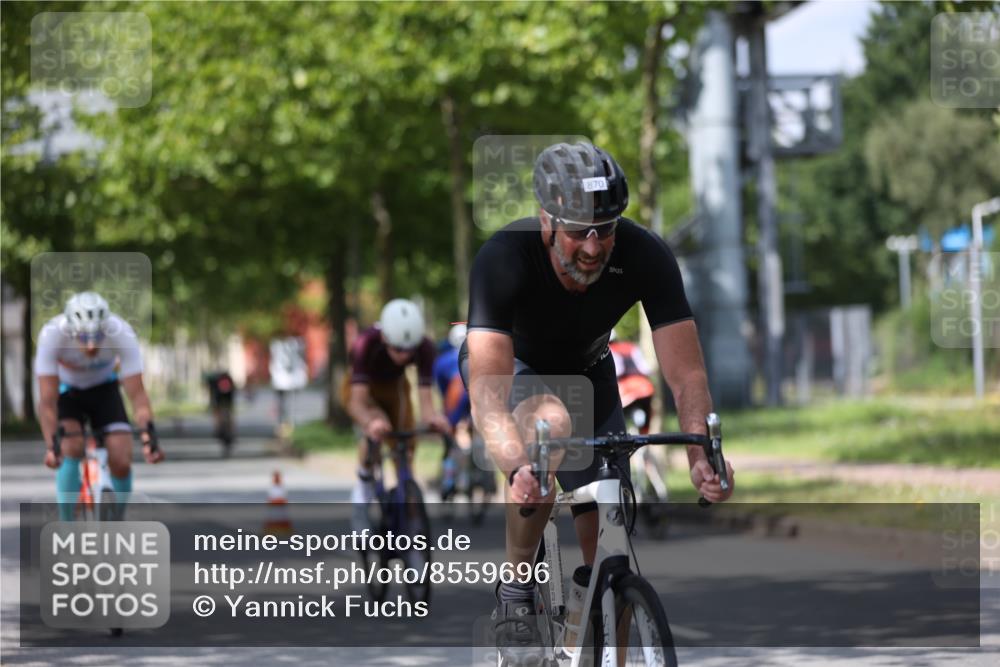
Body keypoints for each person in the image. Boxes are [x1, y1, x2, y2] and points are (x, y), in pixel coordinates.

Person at [462, 141, 735, 661]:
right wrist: (517, 466)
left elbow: (687, 373)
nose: (592, 247)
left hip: (590, 371)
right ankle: (517, 591)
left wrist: (702, 453)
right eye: (578, 231)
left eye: (605, 229)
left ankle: (601, 635)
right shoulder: (504, 256)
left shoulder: (644, 254)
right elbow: (487, 393)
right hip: (512, 368)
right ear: (546, 220)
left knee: (612, 547)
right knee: (551, 422)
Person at [34, 292, 164, 520]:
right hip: (66, 392)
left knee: (121, 458)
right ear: (71, 330)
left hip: (104, 390)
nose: (91, 344)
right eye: (84, 336)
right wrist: (52, 447)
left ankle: (117, 519)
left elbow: (137, 394)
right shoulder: (52, 335)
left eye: (97, 336)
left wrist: (149, 440)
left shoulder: (122, 333)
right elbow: (47, 401)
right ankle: (67, 523)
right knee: (71, 446)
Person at [343, 299, 450, 506]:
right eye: (398, 349)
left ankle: (405, 490)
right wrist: (370, 421)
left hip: (395, 386)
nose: (404, 355)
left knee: (406, 438)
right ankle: (363, 483)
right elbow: (356, 403)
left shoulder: (425, 348)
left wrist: (434, 420)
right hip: (362, 388)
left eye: (410, 350)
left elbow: (426, 404)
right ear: (385, 338)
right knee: (378, 425)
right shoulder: (365, 343)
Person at [609, 329, 656, 434]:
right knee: (646, 416)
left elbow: (618, 370)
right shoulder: (631, 347)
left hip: (626, 389)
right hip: (645, 387)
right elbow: (645, 368)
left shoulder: (610, 350)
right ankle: (644, 437)